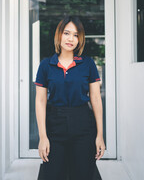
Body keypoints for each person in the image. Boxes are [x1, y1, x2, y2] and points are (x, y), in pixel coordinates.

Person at [34, 16, 105, 180]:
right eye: (67, 33)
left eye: (75, 35)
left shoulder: (88, 64)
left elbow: (95, 99)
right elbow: (40, 101)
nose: (70, 39)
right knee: (53, 173)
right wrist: (43, 137)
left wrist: (100, 135)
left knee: (83, 173)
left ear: (80, 40)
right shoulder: (46, 65)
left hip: (83, 125)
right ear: (59, 35)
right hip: (54, 126)